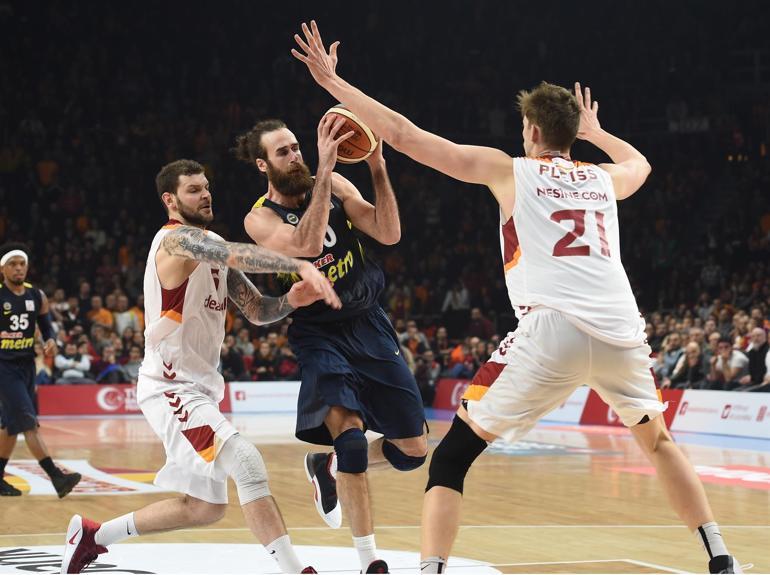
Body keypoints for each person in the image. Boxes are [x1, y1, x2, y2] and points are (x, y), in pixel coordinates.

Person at [292, 21, 745, 574]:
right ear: (571, 132)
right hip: (622, 333)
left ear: (529, 129)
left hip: (551, 332)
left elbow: (405, 135)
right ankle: (720, 556)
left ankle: (431, 568)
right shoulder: (602, 179)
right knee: (659, 443)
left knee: (452, 460)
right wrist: (599, 132)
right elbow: (641, 164)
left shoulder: (509, 170)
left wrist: (333, 83)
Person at [60, 159, 340, 574]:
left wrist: (290, 301)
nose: (205, 194)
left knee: (204, 507)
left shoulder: (211, 244)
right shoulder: (176, 241)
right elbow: (232, 254)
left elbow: (257, 310)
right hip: (170, 386)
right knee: (246, 462)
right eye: (193, 189)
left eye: (206, 187)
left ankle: (93, 536)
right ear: (170, 200)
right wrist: (295, 264)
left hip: (201, 387)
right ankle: (296, 570)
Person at [237, 111, 427, 574]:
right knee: (354, 442)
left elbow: (389, 232)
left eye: (296, 147)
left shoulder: (337, 185)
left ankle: (326, 467)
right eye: (283, 151)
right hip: (318, 332)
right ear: (263, 165)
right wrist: (324, 168)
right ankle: (370, 560)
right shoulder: (259, 219)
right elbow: (304, 245)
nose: (295, 155)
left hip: (369, 323)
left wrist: (378, 166)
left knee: (413, 452)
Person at [0, 243, 82, 497]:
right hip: (4, 367)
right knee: (27, 422)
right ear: (3, 269)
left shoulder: (36, 295)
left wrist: (51, 341)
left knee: (10, 425)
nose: (18, 268)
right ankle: (56, 476)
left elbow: (47, 328)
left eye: (22, 264)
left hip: (27, 366)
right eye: (13, 264)